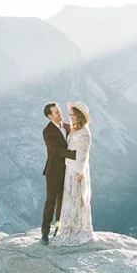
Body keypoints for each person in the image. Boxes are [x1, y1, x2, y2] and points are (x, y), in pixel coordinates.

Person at [51, 102, 94, 246]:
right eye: (70, 116)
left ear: (80, 117)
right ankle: (68, 227)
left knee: (77, 199)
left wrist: (81, 171)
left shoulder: (84, 132)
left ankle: (79, 229)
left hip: (77, 170)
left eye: (74, 116)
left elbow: (84, 153)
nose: (72, 118)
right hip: (69, 168)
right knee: (69, 199)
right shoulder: (75, 130)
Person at [40, 102, 75, 245]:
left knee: (63, 202)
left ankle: (58, 230)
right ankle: (45, 232)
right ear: (50, 116)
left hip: (68, 170)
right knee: (51, 202)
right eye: (56, 112)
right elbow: (56, 150)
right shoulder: (47, 131)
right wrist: (75, 155)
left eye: (60, 111)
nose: (60, 113)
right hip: (54, 171)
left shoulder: (67, 127)